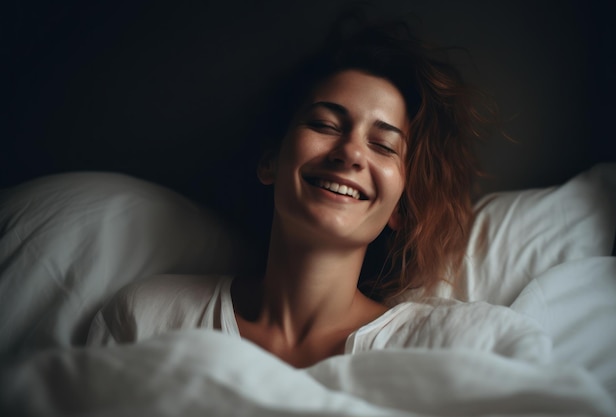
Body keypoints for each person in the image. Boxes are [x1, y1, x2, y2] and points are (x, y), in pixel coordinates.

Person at [87, 13, 516, 368]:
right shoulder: (148, 319)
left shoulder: (457, 346)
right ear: (270, 161)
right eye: (325, 125)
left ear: (400, 208)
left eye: (383, 145)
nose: (350, 153)